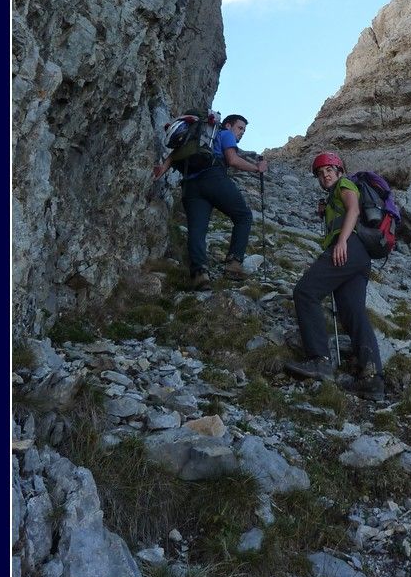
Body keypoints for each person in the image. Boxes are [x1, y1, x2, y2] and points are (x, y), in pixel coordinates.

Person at [284, 151, 385, 402]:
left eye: (329, 170)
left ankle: (319, 360)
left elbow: (353, 209)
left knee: (305, 292)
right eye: (320, 173)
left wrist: (341, 241)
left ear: (339, 171)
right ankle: (372, 380)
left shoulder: (345, 183)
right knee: (353, 313)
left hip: (349, 248)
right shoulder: (332, 197)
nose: (324, 175)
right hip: (360, 257)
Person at [153, 112, 268, 292]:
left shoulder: (199, 139)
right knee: (243, 216)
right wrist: (257, 168)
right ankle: (233, 264)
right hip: (213, 178)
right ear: (228, 125)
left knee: (197, 229)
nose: (241, 133)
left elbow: (174, 155)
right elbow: (232, 160)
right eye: (240, 128)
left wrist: (161, 170)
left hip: (190, 186)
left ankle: (200, 274)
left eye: (244, 131)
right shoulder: (224, 134)